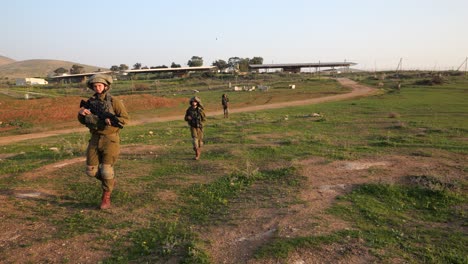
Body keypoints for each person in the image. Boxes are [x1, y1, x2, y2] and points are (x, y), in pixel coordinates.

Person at [77, 74, 129, 210]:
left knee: (106, 170)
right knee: (91, 171)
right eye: (95, 86)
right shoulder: (90, 102)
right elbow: (82, 120)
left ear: (106, 86)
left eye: (100, 85)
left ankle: (106, 196)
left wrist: (111, 121)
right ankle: (110, 181)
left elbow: (125, 118)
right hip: (95, 138)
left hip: (110, 139)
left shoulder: (114, 101)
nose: (97, 88)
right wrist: (82, 113)